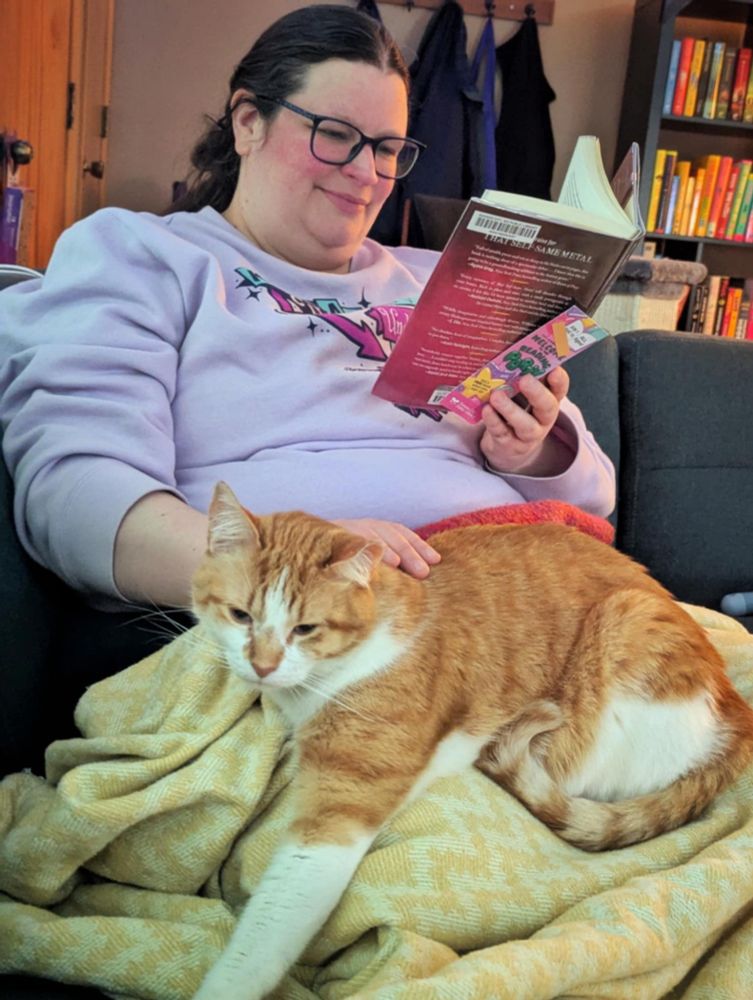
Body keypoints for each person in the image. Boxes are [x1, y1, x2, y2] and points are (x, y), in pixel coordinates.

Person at [0, 4, 614, 613]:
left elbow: (596, 496)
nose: (367, 173)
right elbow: (79, 499)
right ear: (247, 122)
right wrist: (293, 563)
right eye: (337, 135)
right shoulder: (144, 254)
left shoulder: (441, 279)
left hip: (529, 582)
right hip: (311, 620)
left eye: (388, 148)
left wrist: (527, 450)